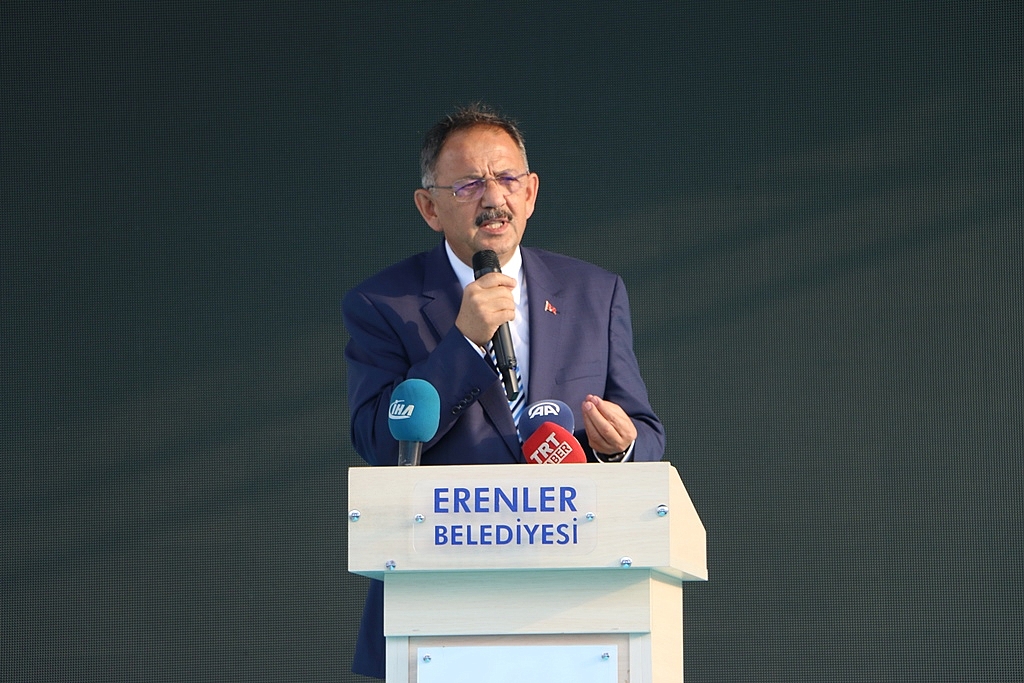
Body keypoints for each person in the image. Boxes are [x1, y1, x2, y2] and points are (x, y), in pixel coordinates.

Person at [342, 103, 664, 678]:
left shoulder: (595, 292)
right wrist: (463, 343)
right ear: (430, 207)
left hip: (578, 602)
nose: (493, 197)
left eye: (507, 178)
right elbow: (379, 441)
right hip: (439, 605)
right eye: (468, 184)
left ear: (531, 192)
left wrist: (619, 448)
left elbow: (645, 435)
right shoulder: (382, 304)